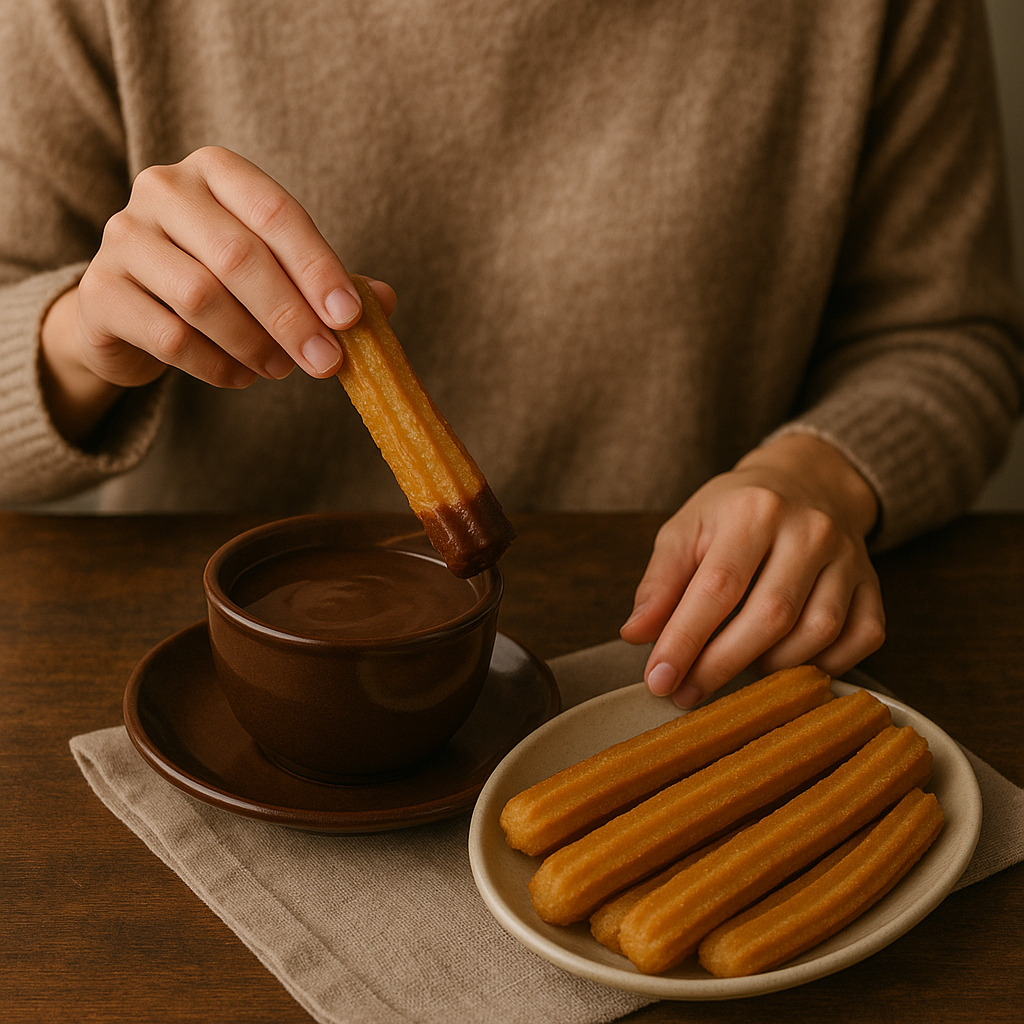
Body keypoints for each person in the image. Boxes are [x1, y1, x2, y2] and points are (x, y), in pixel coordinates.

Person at [1, 0, 1021, 708]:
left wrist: (817, 474)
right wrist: (80, 336)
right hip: (222, 679)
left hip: (659, 664)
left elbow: (948, 333)